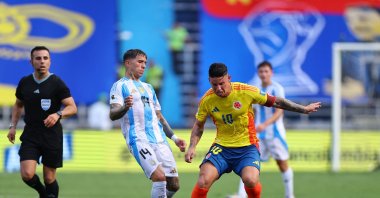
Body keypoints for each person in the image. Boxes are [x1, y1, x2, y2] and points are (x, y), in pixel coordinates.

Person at [185, 63, 321, 198]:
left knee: (251, 180)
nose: (219, 89)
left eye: (222, 83)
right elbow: (198, 125)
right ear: (209, 81)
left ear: (229, 78)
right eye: (214, 85)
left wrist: (303, 109)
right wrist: (192, 146)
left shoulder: (245, 91)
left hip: (247, 147)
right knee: (203, 180)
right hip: (222, 148)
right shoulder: (206, 100)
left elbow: (277, 102)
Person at [109, 49, 187, 198]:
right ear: (127, 63)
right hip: (139, 139)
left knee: (174, 184)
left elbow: (159, 116)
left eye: (144, 62)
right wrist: (125, 107)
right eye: (139, 62)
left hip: (159, 140)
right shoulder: (119, 86)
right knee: (159, 178)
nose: (144, 66)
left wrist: (175, 138)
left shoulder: (149, 88)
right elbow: (113, 114)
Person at [6, 46, 77, 198]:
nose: (42, 61)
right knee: (27, 174)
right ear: (31, 61)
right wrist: (12, 126)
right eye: (38, 58)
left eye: (45, 58)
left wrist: (58, 114)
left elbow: (72, 107)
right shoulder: (25, 82)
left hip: (51, 136)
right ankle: (42, 193)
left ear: (50, 61)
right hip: (31, 135)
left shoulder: (57, 83)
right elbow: (18, 104)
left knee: (49, 178)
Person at [236, 61, 295, 198]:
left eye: (266, 71)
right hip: (258, 135)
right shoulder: (255, 90)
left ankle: (289, 195)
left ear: (271, 73)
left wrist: (265, 124)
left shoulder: (277, 89)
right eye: (261, 71)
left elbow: (280, 111)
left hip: (275, 134)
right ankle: (241, 194)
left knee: (282, 164)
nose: (263, 74)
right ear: (258, 73)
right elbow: (254, 112)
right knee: (248, 163)